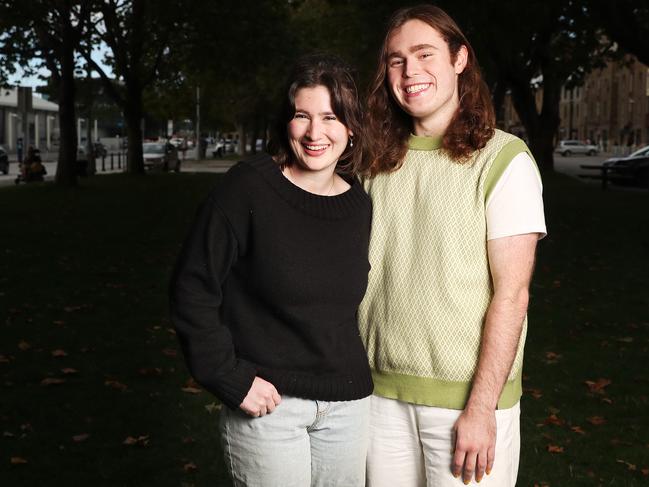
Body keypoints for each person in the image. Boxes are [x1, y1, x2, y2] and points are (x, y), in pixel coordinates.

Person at [358, 5, 547, 487]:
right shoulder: (373, 162)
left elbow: (513, 295)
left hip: (466, 404)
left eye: (425, 54)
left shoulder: (504, 160)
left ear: (460, 59)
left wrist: (482, 408)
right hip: (377, 396)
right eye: (396, 60)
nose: (410, 72)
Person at [170, 53, 373, 487]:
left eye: (331, 117)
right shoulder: (248, 187)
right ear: (287, 122)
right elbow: (193, 286)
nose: (315, 133)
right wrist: (226, 376)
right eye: (303, 115)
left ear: (352, 128)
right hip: (270, 407)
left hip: (347, 408)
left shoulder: (359, 205)